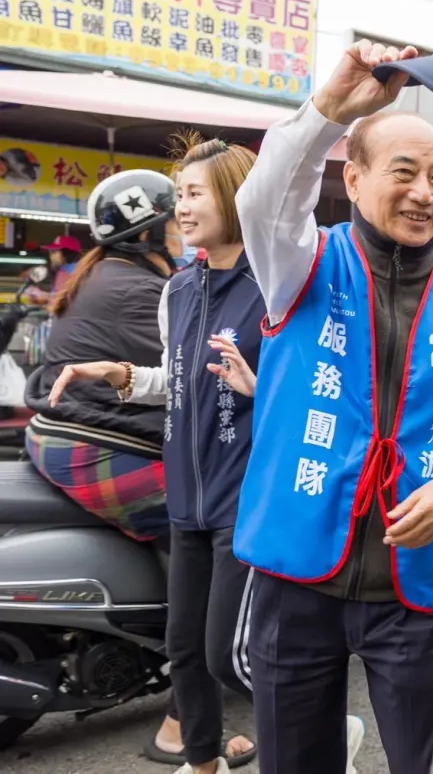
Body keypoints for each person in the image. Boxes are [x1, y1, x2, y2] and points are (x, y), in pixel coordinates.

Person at [232, 36, 433, 774]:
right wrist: (331, 108)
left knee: (429, 761)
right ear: (354, 179)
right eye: (405, 172)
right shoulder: (299, 261)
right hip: (297, 572)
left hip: (415, 582)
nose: (426, 192)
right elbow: (264, 197)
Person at [48, 141, 269, 774]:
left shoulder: (274, 286)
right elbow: (177, 379)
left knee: (231, 653)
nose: (183, 206)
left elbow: (311, 385)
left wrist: (263, 388)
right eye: (181, 193)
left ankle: (323, 738)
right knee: (186, 648)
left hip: (244, 496)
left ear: (235, 197)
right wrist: (120, 373)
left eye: (195, 192)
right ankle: (201, 763)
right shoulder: (177, 288)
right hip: (187, 495)